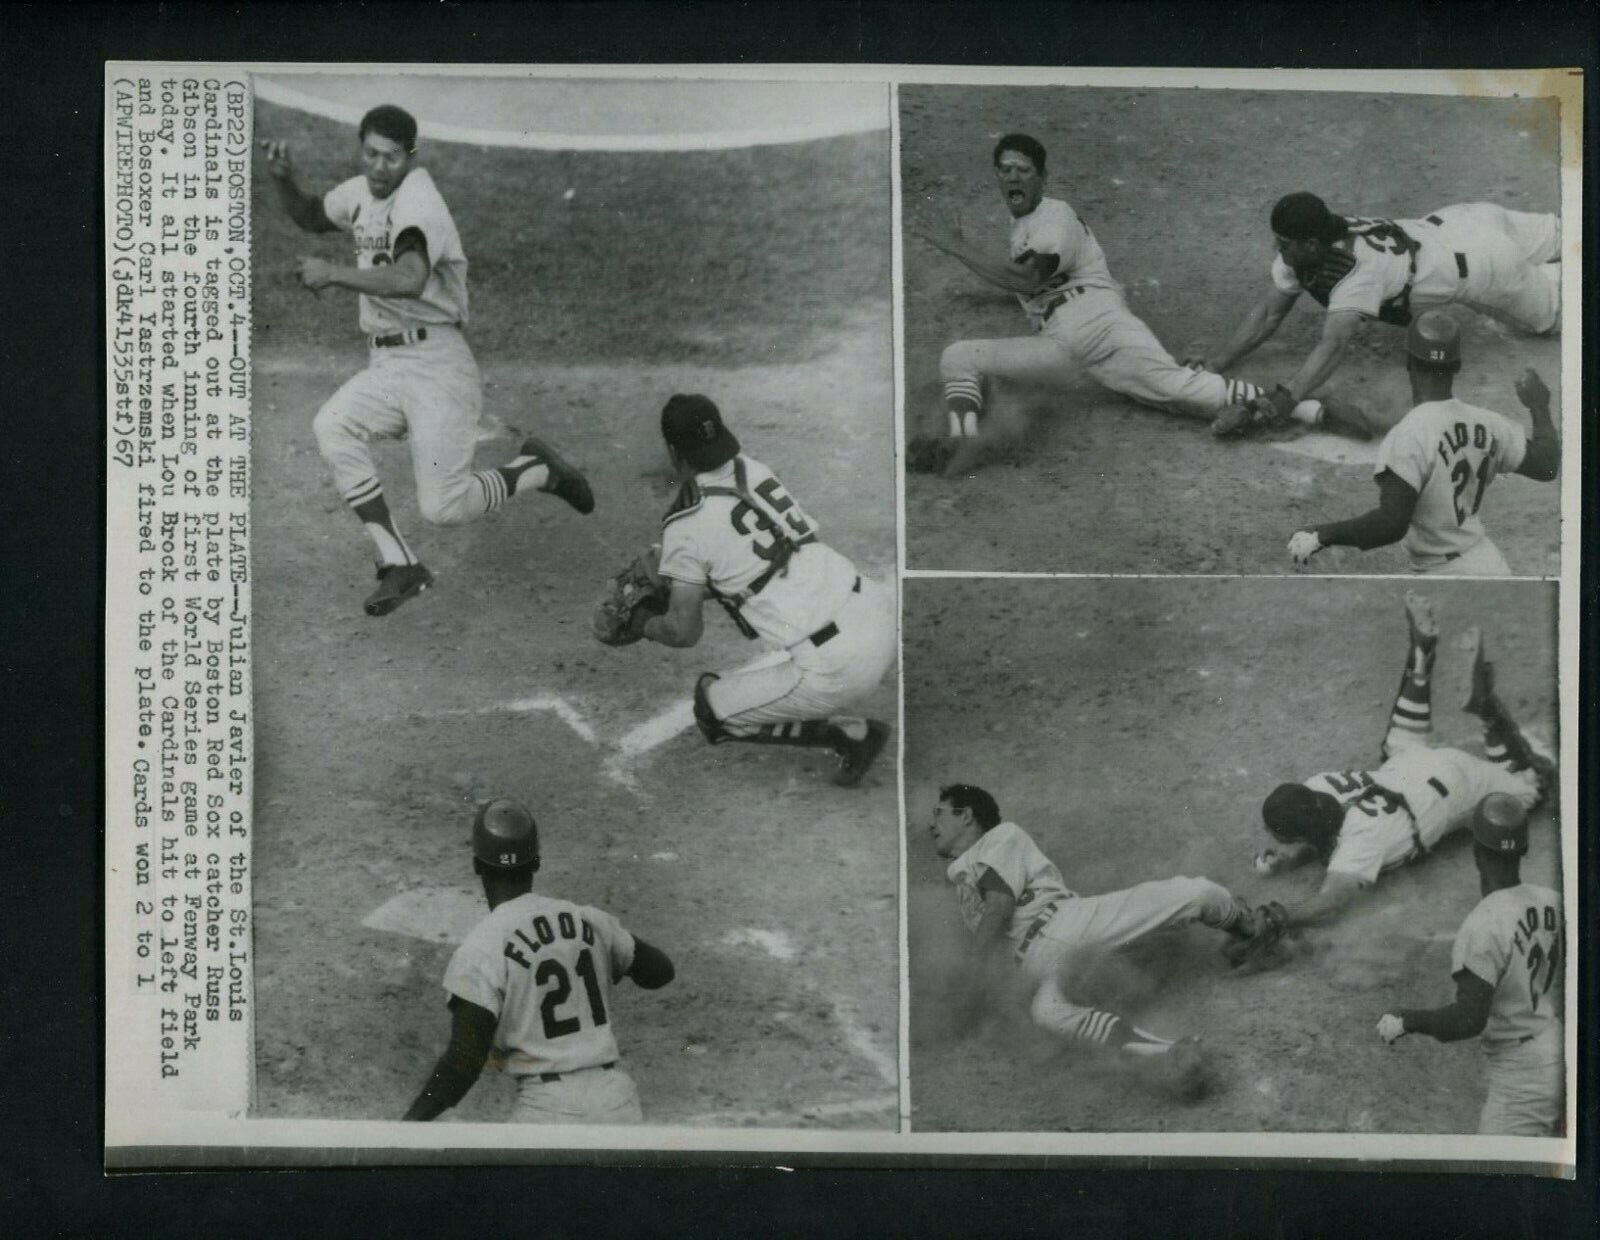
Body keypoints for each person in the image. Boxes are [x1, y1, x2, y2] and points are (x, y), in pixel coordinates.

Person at [259, 104, 595, 617]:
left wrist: (333, 273)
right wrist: (285, 181)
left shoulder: (419, 202)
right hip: (389, 368)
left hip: (439, 367)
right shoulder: (359, 192)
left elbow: (409, 277)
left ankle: (535, 470)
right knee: (332, 426)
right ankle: (401, 565)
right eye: (370, 154)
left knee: (444, 507)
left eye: (391, 158)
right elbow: (309, 214)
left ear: (409, 157)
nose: (378, 167)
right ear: (361, 148)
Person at [906, 133, 1342, 474]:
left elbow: (1025, 277)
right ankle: (1309, 409)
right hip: (1067, 346)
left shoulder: (1055, 217)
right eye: (1005, 170)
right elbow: (1025, 281)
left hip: (1095, 324)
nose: (1013, 178)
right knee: (1173, 390)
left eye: (1023, 170)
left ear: (1042, 177)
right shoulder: (1024, 227)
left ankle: (1306, 407)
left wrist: (954, 245)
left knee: (960, 357)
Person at [1248, 593, 1552, 935]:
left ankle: (1486, 709)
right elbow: (1324, 833)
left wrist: (1279, 916)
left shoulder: (1359, 845)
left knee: (1534, 785)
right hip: (1411, 768)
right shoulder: (1318, 784)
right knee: (1399, 743)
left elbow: (1331, 900)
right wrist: (1293, 858)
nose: (1270, 835)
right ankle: (1420, 661)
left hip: (1459, 784)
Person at [635, 394, 895, 787]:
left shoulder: (684, 528)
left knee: (712, 708)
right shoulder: (752, 470)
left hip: (841, 666)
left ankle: (850, 734)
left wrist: (643, 621)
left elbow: (684, 632)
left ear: (674, 452)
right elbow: (755, 564)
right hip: (878, 610)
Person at [929, 782, 1271, 1057]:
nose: (932, 824)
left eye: (939, 813)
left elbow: (999, 907)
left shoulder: (1001, 837)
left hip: (1067, 923)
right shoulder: (960, 877)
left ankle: (1253, 928)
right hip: (1036, 964)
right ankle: (1168, 1057)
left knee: (1193, 894)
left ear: (966, 815)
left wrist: (965, 986)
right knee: (1047, 1014)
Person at [402, 798, 674, 1123]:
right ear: (536, 862)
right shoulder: (587, 919)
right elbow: (660, 972)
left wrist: (408, 1126)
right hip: (618, 1103)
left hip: (547, 1111)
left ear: (477, 865)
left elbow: (463, 1061)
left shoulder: (479, 949)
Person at [1199, 192, 1560, 438]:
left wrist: (1285, 399)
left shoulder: (1353, 272)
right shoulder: (1316, 243)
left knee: (1558, 315)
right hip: (1464, 219)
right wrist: (1215, 363)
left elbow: (1334, 346)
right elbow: (1267, 314)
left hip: (1488, 266)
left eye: (1284, 244)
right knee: (1566, 229)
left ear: (1310, 245)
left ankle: (1554, 278)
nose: (1277, 250)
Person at [1286, 311, 1559, 576]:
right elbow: (1546, 465)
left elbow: (1391, 525)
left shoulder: (1408, 436)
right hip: (1490, 561)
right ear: (1457, 366)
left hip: (1447, 574)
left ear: (1409, 362)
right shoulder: (1488, 422)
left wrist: (1322, 534)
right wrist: (1539, 406)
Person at [1375, 793, 1564, 1137]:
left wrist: (1408, 1019)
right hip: (1564, 1049)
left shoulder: (1482, 926)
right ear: (1522, 850)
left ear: (1476, 852)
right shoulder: (1554, 901)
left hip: (1523, 1078)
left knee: (1500, 1175)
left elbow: (1466, 1020)